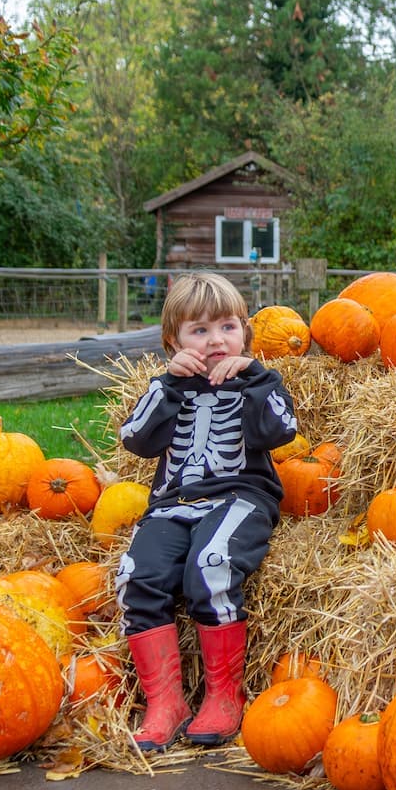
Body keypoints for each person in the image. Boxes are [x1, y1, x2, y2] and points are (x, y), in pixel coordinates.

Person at [116, 271, 299, 749]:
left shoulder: (258, 382)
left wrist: (253, 377)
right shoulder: (167, 389)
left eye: (227, 327)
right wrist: (168, 386)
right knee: (136, 574)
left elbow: (282, 431)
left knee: (211, 565)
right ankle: (166, 702)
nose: (216, 340)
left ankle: (223, 696)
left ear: (245, 332)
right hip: (172, 504)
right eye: (199, 331)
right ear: (173, 341)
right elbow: (134, 439)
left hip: (239, 498)